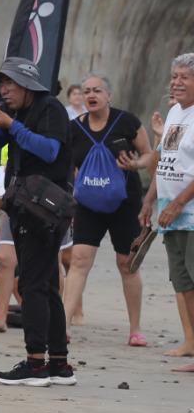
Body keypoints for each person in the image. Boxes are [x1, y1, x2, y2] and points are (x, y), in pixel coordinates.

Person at [0, 56, 76, 386]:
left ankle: (35, 364)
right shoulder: (14, 115)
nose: (3, 90)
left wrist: (12, 126)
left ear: (28, 84)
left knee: (32, 285)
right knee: (47, 285)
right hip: (29, 208)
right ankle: (60, 364)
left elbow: (49, 150)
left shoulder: (50, 109)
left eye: (8, 83)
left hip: (42, 209)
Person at [62, 75, 153, 342]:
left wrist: (136, 165)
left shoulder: (127, 121)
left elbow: (149, 153)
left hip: (125, 202)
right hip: (88, 204)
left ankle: (135, 329)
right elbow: (69, 163)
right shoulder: (74, 128)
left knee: (127, 263)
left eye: (97, 90)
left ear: (109, 96)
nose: (91, 95)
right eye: (87, 91)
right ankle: (64, 325)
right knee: (79, 259)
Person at [144, 53, 194, 371]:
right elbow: (164, 160)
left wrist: (178, 204)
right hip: (169, 211)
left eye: (183, 77)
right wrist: (151, 199)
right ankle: (191, 342)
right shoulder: (177, 112)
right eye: (174, 76)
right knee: (182, 280)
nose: (175, 82)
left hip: (188, 212)